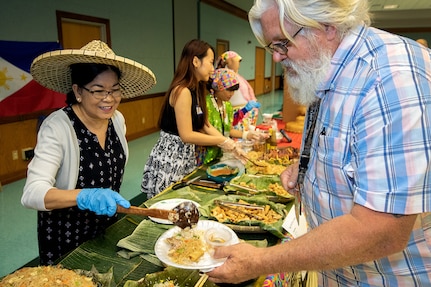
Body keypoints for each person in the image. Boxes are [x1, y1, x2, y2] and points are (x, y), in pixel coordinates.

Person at [206, 0, 431, 286]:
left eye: (282, 44)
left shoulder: (389, 78)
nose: (276, 58)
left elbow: (382, 229)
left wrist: (259, 261)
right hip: (342, 270)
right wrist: (306, 168)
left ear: (326, 26)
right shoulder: (329, 65)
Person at [21, 40, 156, 265]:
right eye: (98, 91)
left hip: (107, 226)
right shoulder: (58, 127)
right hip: (67, 235)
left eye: (115, 90)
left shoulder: (117, 120)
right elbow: (32, 193)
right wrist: (84, 196)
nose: (109, 99)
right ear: (78, 91)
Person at [141, 39, 246, 199]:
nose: (213, 68)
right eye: (210, 62)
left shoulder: (197, 89)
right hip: (172, 157)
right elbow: (187, 135)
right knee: (168, 203)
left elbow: (205, 125)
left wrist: (229, 143)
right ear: (196, 61)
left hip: (185, 155)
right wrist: (223, 142)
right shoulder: (182, 91)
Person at [196, 68, 268, 165]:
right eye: (229, 90)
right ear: (218, 87)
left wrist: (247, 135)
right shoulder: (205, 104)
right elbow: (202, 132)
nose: (232, 94)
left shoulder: (228, 106)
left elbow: (228, 130)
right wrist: (227, 142)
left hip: (221, 155)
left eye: (234, 91)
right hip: (206, 157)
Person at [216, 51, 261, 130]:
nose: (238, 64)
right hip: (235, 115)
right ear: (229, 61)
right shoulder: (225, 77)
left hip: (241, 114)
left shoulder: (237, 76)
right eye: (237, 61)